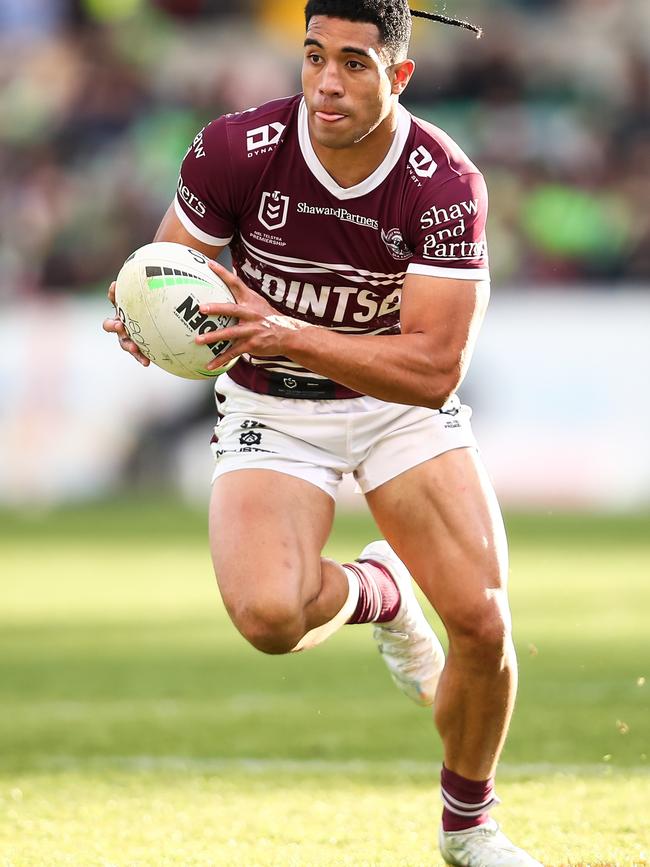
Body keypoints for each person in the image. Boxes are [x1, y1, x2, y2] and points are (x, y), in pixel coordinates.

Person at [104, 2, 542, 864]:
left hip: (397, 408)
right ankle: (379, 589)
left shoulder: (443, 183)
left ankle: (469, 828)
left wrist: (290, 331)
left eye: (353, 63)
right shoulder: (236, 150)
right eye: (313, 58)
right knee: (269, 616)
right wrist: (145, 317)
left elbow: (434, 369)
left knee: (485, 625)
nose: (326, 83)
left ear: (399, 76)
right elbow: (171, 269)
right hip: (275, 408)